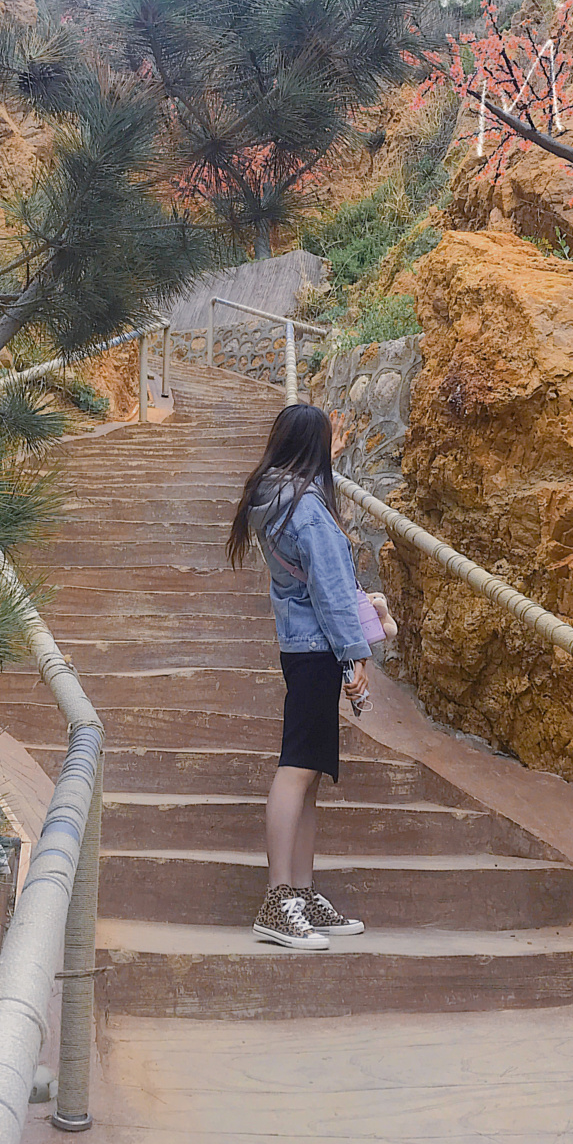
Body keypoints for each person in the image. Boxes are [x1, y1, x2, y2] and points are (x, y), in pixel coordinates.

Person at [227, 404, 372, 950]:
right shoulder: (307, 507)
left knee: (309, 773)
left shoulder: (271, 500)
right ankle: (278, 898)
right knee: (296, 770)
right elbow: (332, 594)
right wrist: (355, 657)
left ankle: (302, 894)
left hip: (301, 647)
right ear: (317, 445)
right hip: (317, 650)